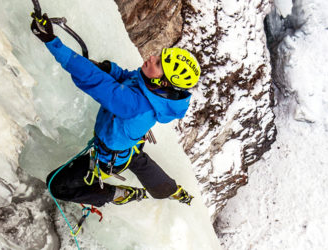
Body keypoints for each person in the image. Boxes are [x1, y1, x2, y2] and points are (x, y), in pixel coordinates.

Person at [30, 14, 201, 206]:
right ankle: (168, 189)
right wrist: (108, 68)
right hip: (126, 146)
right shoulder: (152, 88)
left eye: (159, 63)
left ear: (162, 82)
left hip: (106, 159)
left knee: (56, 185)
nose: (152, 58)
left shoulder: (135, 105)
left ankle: (115, 194)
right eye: (159, 57)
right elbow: (127, 77)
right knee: (134, 157)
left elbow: (95, 80)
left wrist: (53, 43)